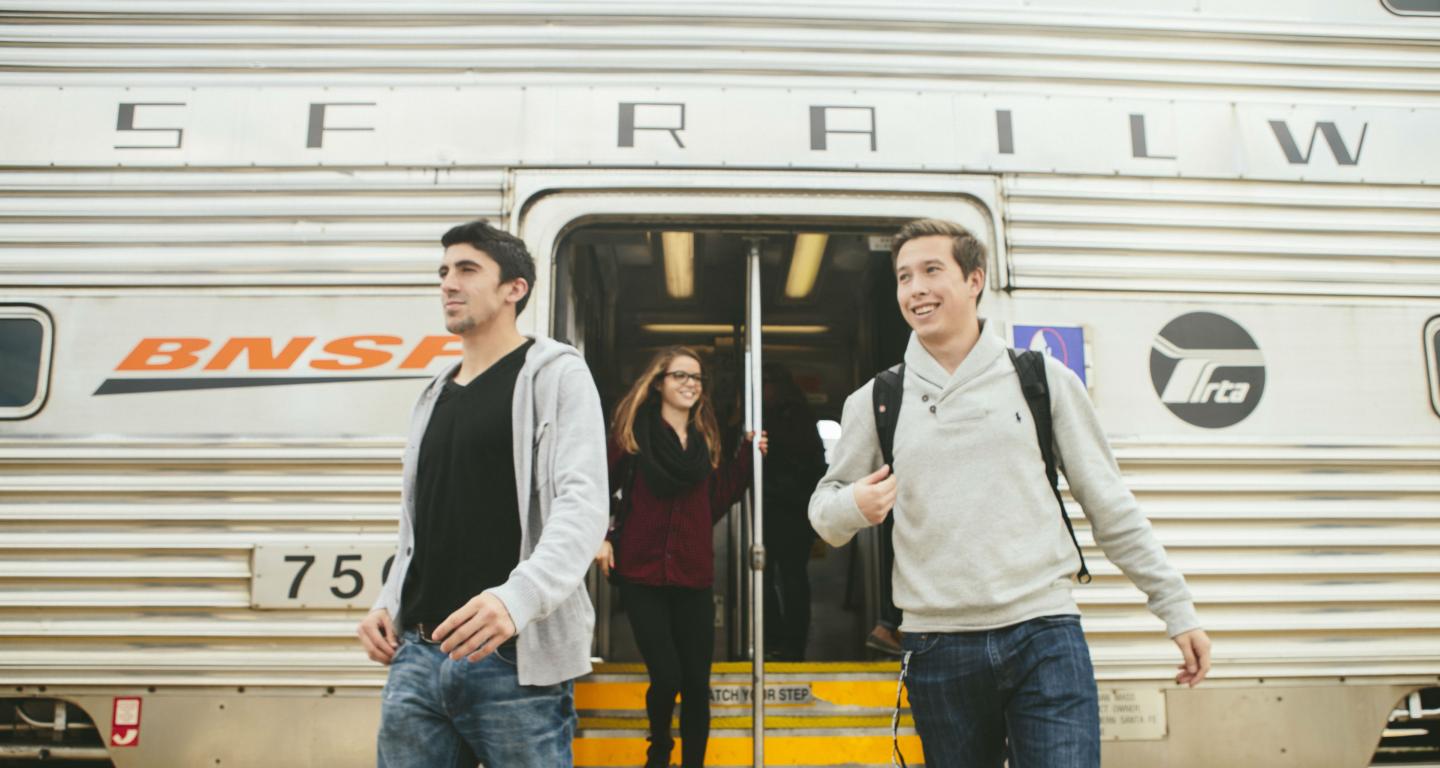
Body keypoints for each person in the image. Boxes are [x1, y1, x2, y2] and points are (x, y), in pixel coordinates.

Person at [808, 218, 1212, 767]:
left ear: (975, 280)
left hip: (1043, 634)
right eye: (904, 277)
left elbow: (1110, 506)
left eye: (932, 271)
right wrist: (854, 505)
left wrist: (1177, 609)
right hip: (937, 645)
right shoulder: (878, 399)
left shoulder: (1041, 380)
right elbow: (823, 510)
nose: (916, 289)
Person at [357, 220, 609, 768]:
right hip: (417, 658)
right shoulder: (434, 395)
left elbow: (583, 507)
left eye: (467, 270)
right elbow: (420, 525)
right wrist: (388, 602)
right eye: (444, 271)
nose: (449, 283)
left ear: (513, 289)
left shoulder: (555, 375)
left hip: (512, 659)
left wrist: (514, 601)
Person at [594, 346, 766, 768]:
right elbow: (595, 484)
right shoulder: (632, 435)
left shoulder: (706, 441)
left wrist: (747, 459)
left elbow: (716, 500)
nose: (691, 384)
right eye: (680, 376)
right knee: (667, 674)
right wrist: (601, 536)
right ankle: (660, 752)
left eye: (697, 378)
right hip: (641, 573)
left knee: (695, 683)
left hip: (692, 575)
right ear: (658, 383)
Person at [760, 363, 827, 661]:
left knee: (788, 578)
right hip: (785, 508)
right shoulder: (794, 415)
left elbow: (805, 464)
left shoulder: (789, 417)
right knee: (781, 577)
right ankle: (780, 642)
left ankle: (785, 643)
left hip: (787, 509)